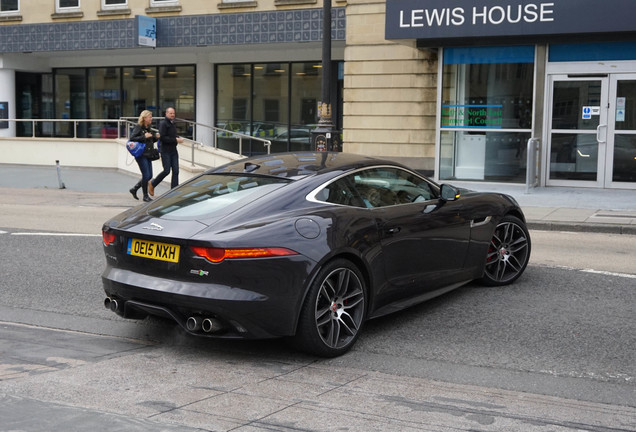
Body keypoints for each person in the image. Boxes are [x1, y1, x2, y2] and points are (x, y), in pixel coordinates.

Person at [148, 107, 184, 196]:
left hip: (173, 150)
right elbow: (163, 138)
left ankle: (174, 191)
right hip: (165, 151)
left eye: (173, 113)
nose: (172, 115)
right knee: (166, 170)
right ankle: (153, 183)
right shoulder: (163, 124)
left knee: (176, 171)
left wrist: (177, 137)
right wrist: (175, 140)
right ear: (166, 114)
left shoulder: (172, 123)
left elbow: (172, 135)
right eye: (171, 113)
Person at [129, 110, 159, 202]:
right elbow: (132, 138)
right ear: (145, 118)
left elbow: (149, 140)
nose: (151, 118)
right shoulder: (139, 127)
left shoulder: (148, 127)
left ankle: (134, 189)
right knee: (146, 175)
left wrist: (155, 138)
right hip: (141, 154)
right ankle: (145, 196)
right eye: (150, 117)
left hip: (148, 154)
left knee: (149, 175)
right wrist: (144, 136)